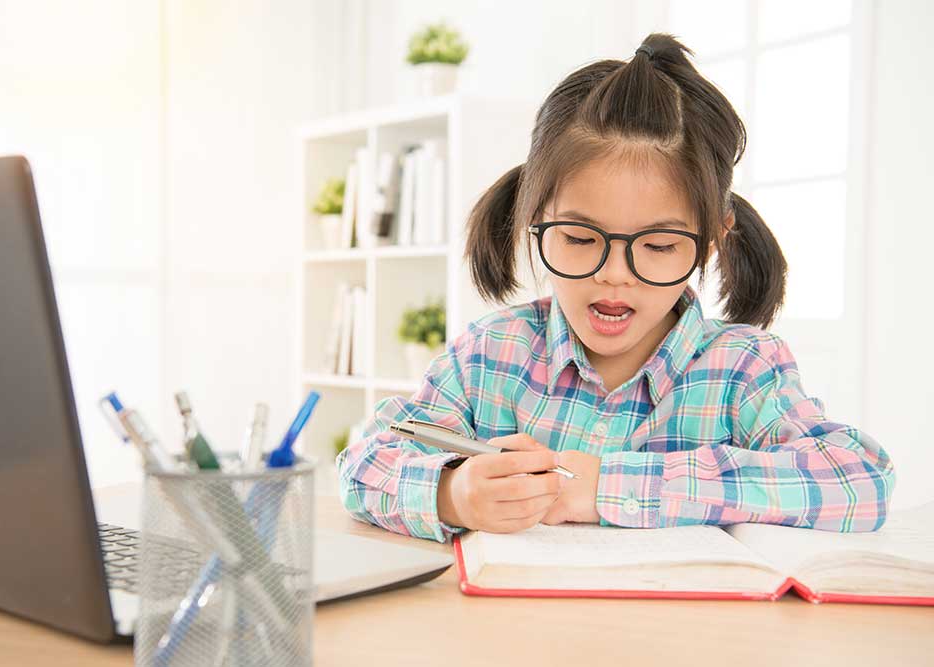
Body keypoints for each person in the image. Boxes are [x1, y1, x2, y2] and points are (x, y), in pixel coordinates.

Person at [335, 33, 896, 543]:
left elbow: (860, 479)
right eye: (579, 237)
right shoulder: (490, 355)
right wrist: (453, 493)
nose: (615, 275)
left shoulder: (742, 369)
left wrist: (607, 484)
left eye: (657, 246)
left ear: (710, 242)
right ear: (533, 216)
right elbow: (365, 462)